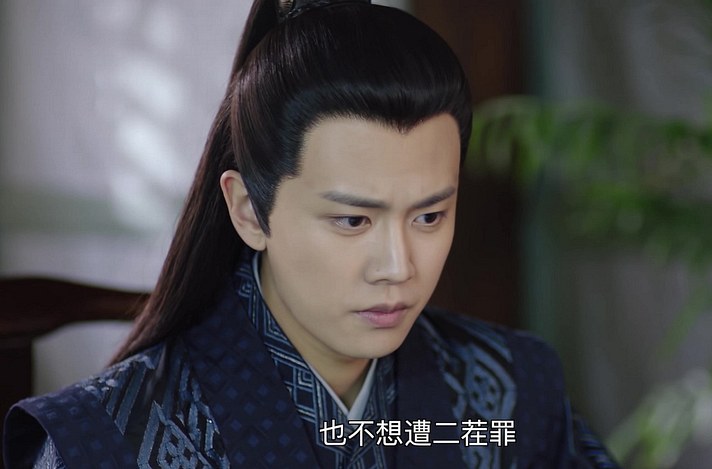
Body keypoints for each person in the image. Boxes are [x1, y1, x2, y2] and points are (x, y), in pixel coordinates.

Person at [3, 0, 620, 467]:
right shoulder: (104, 441)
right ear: (249, 211)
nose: (398, 266)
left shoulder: (510, 393)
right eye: (353, 220)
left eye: (429, 216)